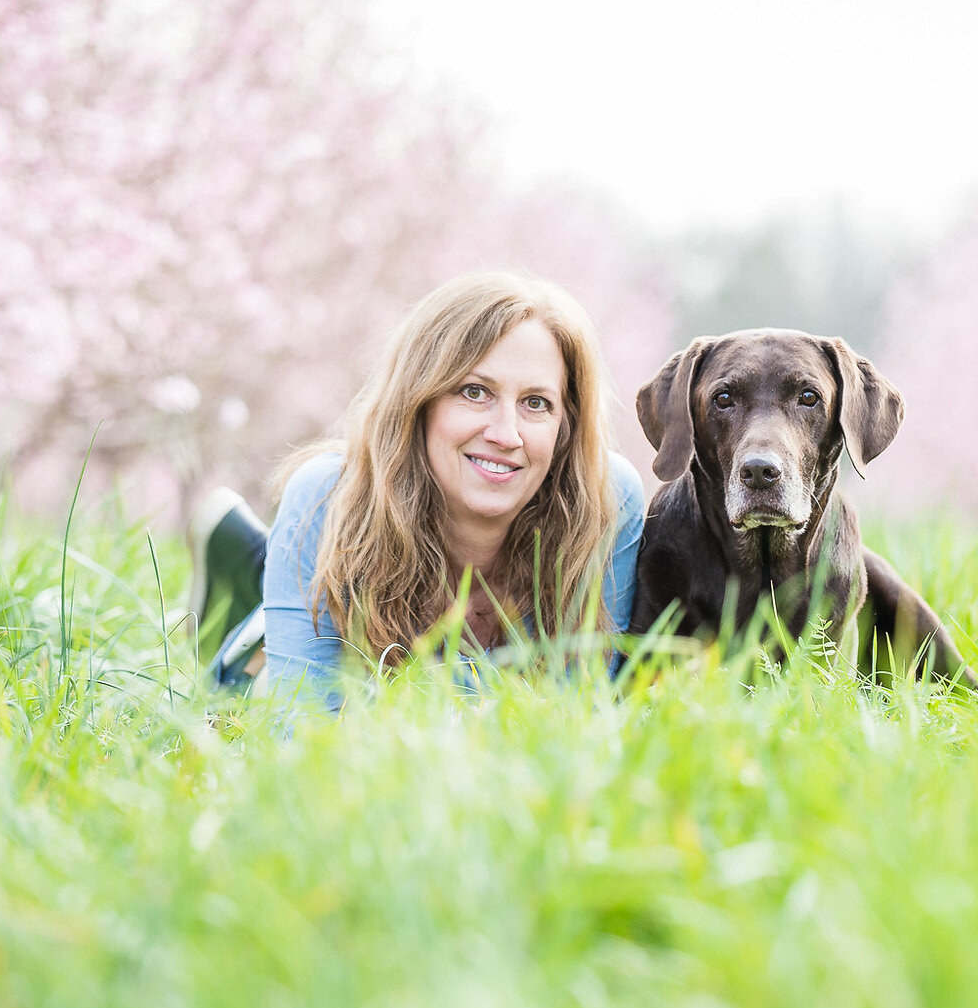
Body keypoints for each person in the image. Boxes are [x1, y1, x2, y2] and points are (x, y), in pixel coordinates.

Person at [185, 271, 647, 710]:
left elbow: (579, 713)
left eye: (535, 403)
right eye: (474, 392)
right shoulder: (328, 496)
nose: (507, 434)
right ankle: (239, 598)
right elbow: (303, 725)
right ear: (417, 401)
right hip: (280, 665)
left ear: (566, 425)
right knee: (256, 683)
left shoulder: (605, 499)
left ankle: (252, 565)